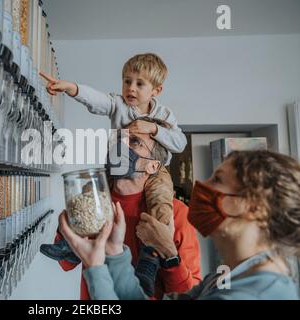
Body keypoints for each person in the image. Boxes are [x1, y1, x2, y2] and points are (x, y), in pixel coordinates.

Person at [59, 150, 300, 300]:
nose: (200, 185)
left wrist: (96, 268)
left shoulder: (249, 295)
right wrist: (113, 253)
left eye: (217, 180)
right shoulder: (223, 279)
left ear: (255, 207)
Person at [40, 53, 186, 294]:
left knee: (161, 203)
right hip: (117, 167)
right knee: (89, 195)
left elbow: (179, 142)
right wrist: (71, 88)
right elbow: (96, 100)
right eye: (127, 81)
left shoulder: (164, 115)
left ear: (156, 90)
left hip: (157, 172)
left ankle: (150, 260)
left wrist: (154, 128)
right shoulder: (118, 104)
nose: (131, 88)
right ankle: (69, 244)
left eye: (140, 83)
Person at [43, 118, 202, 299]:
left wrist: (168, 253)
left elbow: (188, 291)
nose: (121, 146)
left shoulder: (177, 213)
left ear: (153, 165)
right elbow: (65, 263)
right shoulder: (91, 203)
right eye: (120, 139)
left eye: (135, 142)